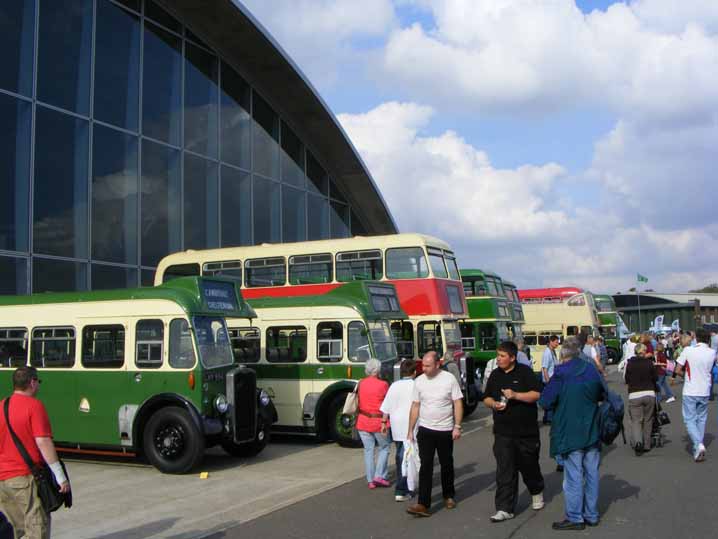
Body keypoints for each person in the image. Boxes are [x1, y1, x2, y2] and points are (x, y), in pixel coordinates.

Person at [539, 339, 605, 530]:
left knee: (574, 476)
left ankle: (575, 517)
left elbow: (545, 401)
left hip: (569, 430)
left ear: (563, 356)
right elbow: (601, 394)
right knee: (592, 473)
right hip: (591, 427)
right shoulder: (591, 369)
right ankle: (591, 514)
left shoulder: (561, 372)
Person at [0, 367, 70, 539]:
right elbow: (43, 442)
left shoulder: (2, 405)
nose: (38, 385)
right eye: (38, 381)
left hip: (3, 481)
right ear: (31, 382)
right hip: (25, 479)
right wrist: (60, 476)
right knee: (37, 528)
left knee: (18, 529)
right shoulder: (34, 406)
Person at [483, 341, 545, 522]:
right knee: (505, 470)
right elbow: (486, 397)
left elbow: (537, 394)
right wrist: (493, 404)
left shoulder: (525, 372)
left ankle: (536, 490)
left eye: (502, 356)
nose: (499, 359)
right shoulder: (495, 375)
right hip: (503, 431)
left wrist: (516, 395)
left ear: (512, 358)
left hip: (526, 431)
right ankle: (505, 508)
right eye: (498, 355)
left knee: (529, 466)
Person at [406, 351, 463, 517]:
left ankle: (448, 495)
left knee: (446, 463)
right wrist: (410, 429)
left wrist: (457, 426)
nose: (424, 368)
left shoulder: (449, 379)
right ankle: (423, 503)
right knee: (426, 466)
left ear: (438, 364)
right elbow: (415, 406)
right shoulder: (419, 381)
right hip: (425, 429)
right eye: (422, 365)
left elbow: (457, 402)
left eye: (428, 365)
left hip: (445, 429)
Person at [675, 328, 717, 462]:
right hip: (705, 390)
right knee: (701, 419)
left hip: (690, 389)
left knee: (689, 419)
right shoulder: (712, 352)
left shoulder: (688, 350)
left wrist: (686, 376)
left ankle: (698, 444)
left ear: (696, 338)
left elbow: (677, 369)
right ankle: (697, 446)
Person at [380, 358, 416, 502]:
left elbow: (386, 407)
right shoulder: (416, 385)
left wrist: (383, 422)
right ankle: (403, 489)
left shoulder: (393, 386)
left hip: (396, 425)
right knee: (407, 458)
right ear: (414, 372)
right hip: (411, 425)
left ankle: (406, 486)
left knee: (401, 455)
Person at [356, 358, 392, 489]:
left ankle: (370, 480)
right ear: (378, 370)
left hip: (363, 420)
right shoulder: (383, 385)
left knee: (368, 450)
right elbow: (387, 404)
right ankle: (379, 475)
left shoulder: (361, 383)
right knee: (385, 447)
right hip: (378, 422)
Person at [624, 344, 657, 456]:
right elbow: (655, 378)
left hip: (634, 394)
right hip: (649, 393)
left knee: (636, 421)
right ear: (644, 352)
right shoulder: (649, 363)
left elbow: (627, 379)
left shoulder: (630, 364)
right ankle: (647, 444)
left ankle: (638, 442)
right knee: (648, 419)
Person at [541, 335, 560, 425]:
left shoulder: (552, 351)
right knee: (550, 399)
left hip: (553, 379)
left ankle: (548, 417)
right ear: (551, 342)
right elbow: (544, 368)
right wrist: (548, 381)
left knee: (551, 399)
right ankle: (548, 419)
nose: (557, 344)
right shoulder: (547, 353)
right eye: (556, 342)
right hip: (549, 380)